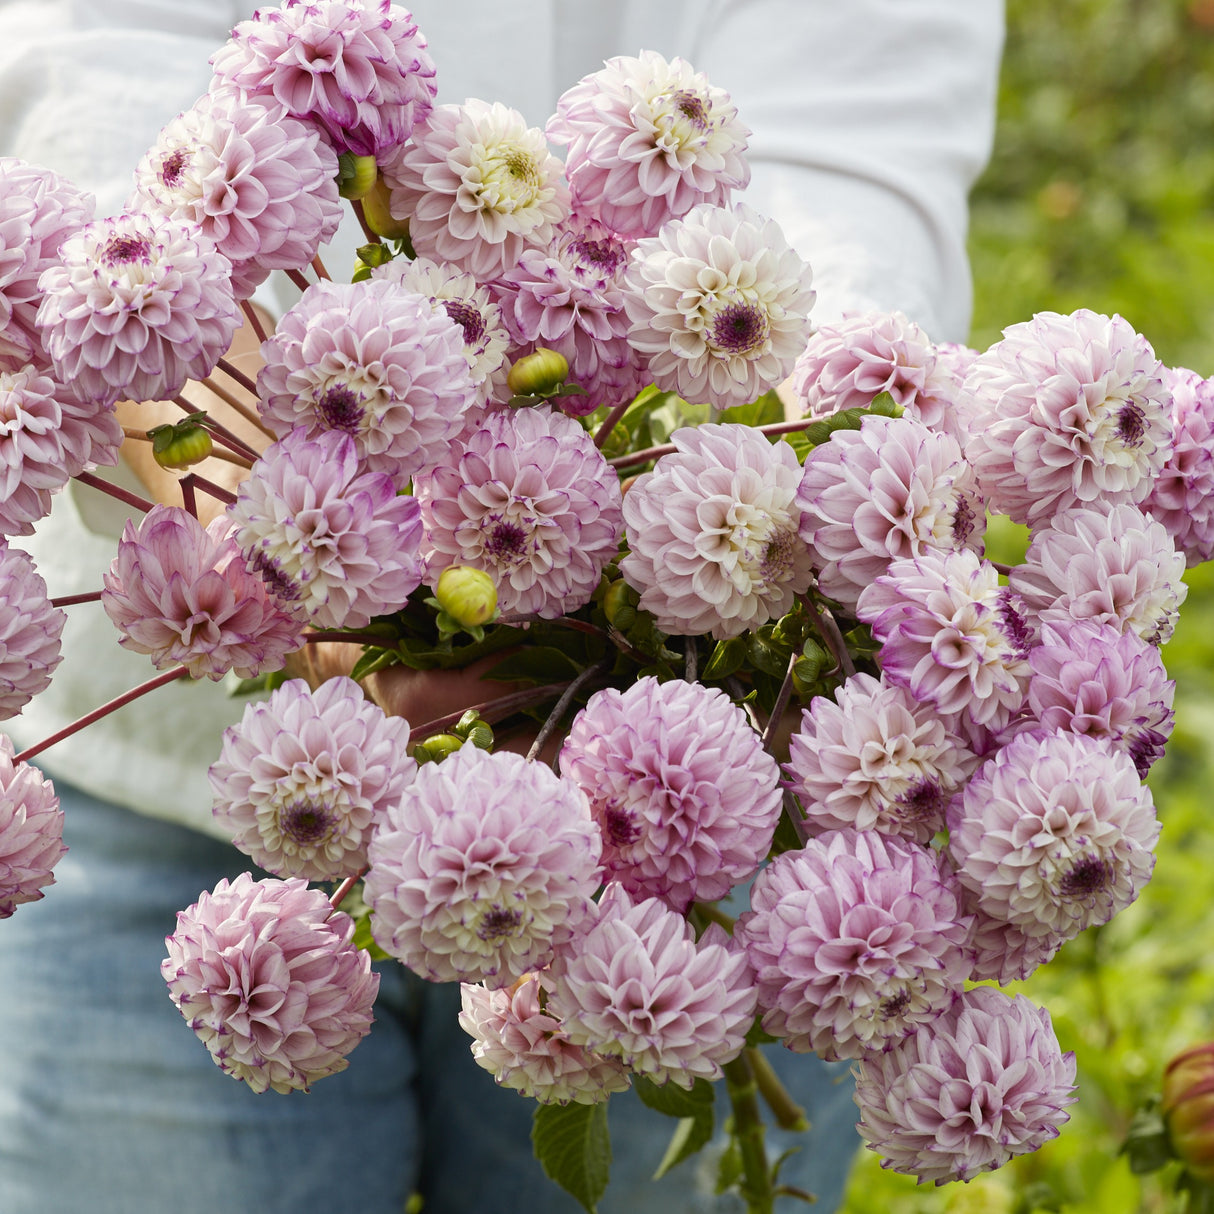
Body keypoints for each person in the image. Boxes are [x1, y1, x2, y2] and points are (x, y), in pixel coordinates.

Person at [0, 2, 1005, 1211]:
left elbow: (853, 130)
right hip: (168, 779)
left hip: (691, 813)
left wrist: (755, 515)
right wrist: (251, 488)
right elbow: (107, 52)